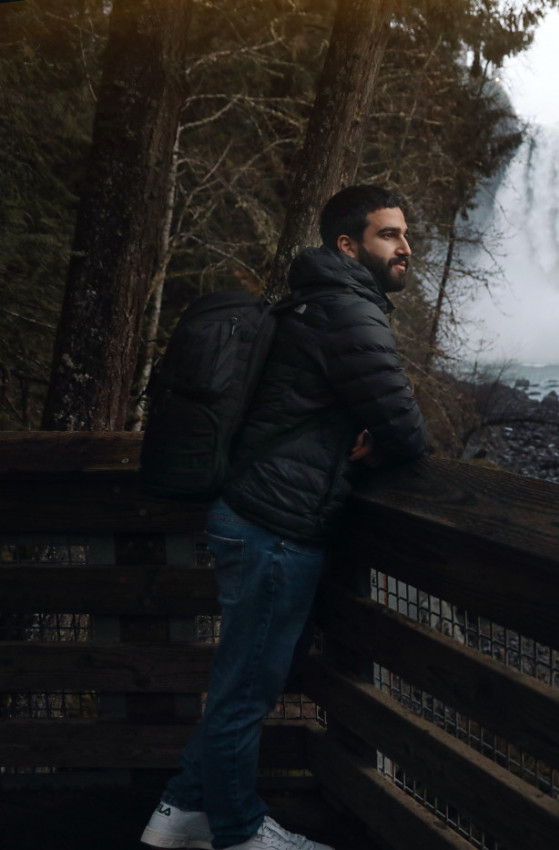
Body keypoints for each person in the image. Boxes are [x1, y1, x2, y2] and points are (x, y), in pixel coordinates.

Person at [141, 185, 428, 850]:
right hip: (275, 524)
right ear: (347, 246)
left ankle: (180, 812)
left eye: (406, 235)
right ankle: (239, 833)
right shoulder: (347, 312)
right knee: (246, 689)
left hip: (257, 513)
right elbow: (407, 428)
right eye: (389, 235)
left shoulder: (313, 300)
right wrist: (385, 440)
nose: (406, 248)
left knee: (248, 676)